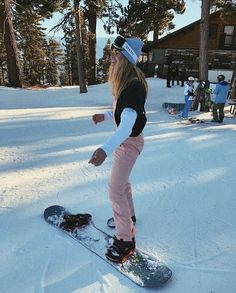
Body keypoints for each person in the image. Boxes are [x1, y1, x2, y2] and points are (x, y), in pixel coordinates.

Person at [88, 35, 148, 263]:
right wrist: (104, 116)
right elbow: (121, 111)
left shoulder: (132, 86)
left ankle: (125, 240)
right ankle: (129, 217)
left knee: (115, 190)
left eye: (116, 56)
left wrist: (105, 149)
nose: (111, 59)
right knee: (122, 184)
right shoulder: (128, 83)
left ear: (125, 59)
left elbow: (127, 125)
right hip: (127, 141)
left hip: (129, 143)